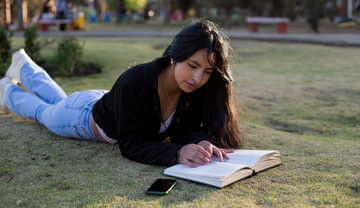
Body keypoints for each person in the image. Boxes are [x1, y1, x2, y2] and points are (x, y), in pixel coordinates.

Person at [0, 19, 241, 167]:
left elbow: (181, 130)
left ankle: (24, 67)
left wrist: (202, 143)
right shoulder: (135, 82)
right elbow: (131, 145)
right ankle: (6, 90)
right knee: (43, 112)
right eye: (192, 66)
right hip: (82, 119)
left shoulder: (192, 88)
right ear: (174, 56)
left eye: (208, 71)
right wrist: (177, 153)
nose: (198, 78)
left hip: (107, 100)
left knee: (58, 103)